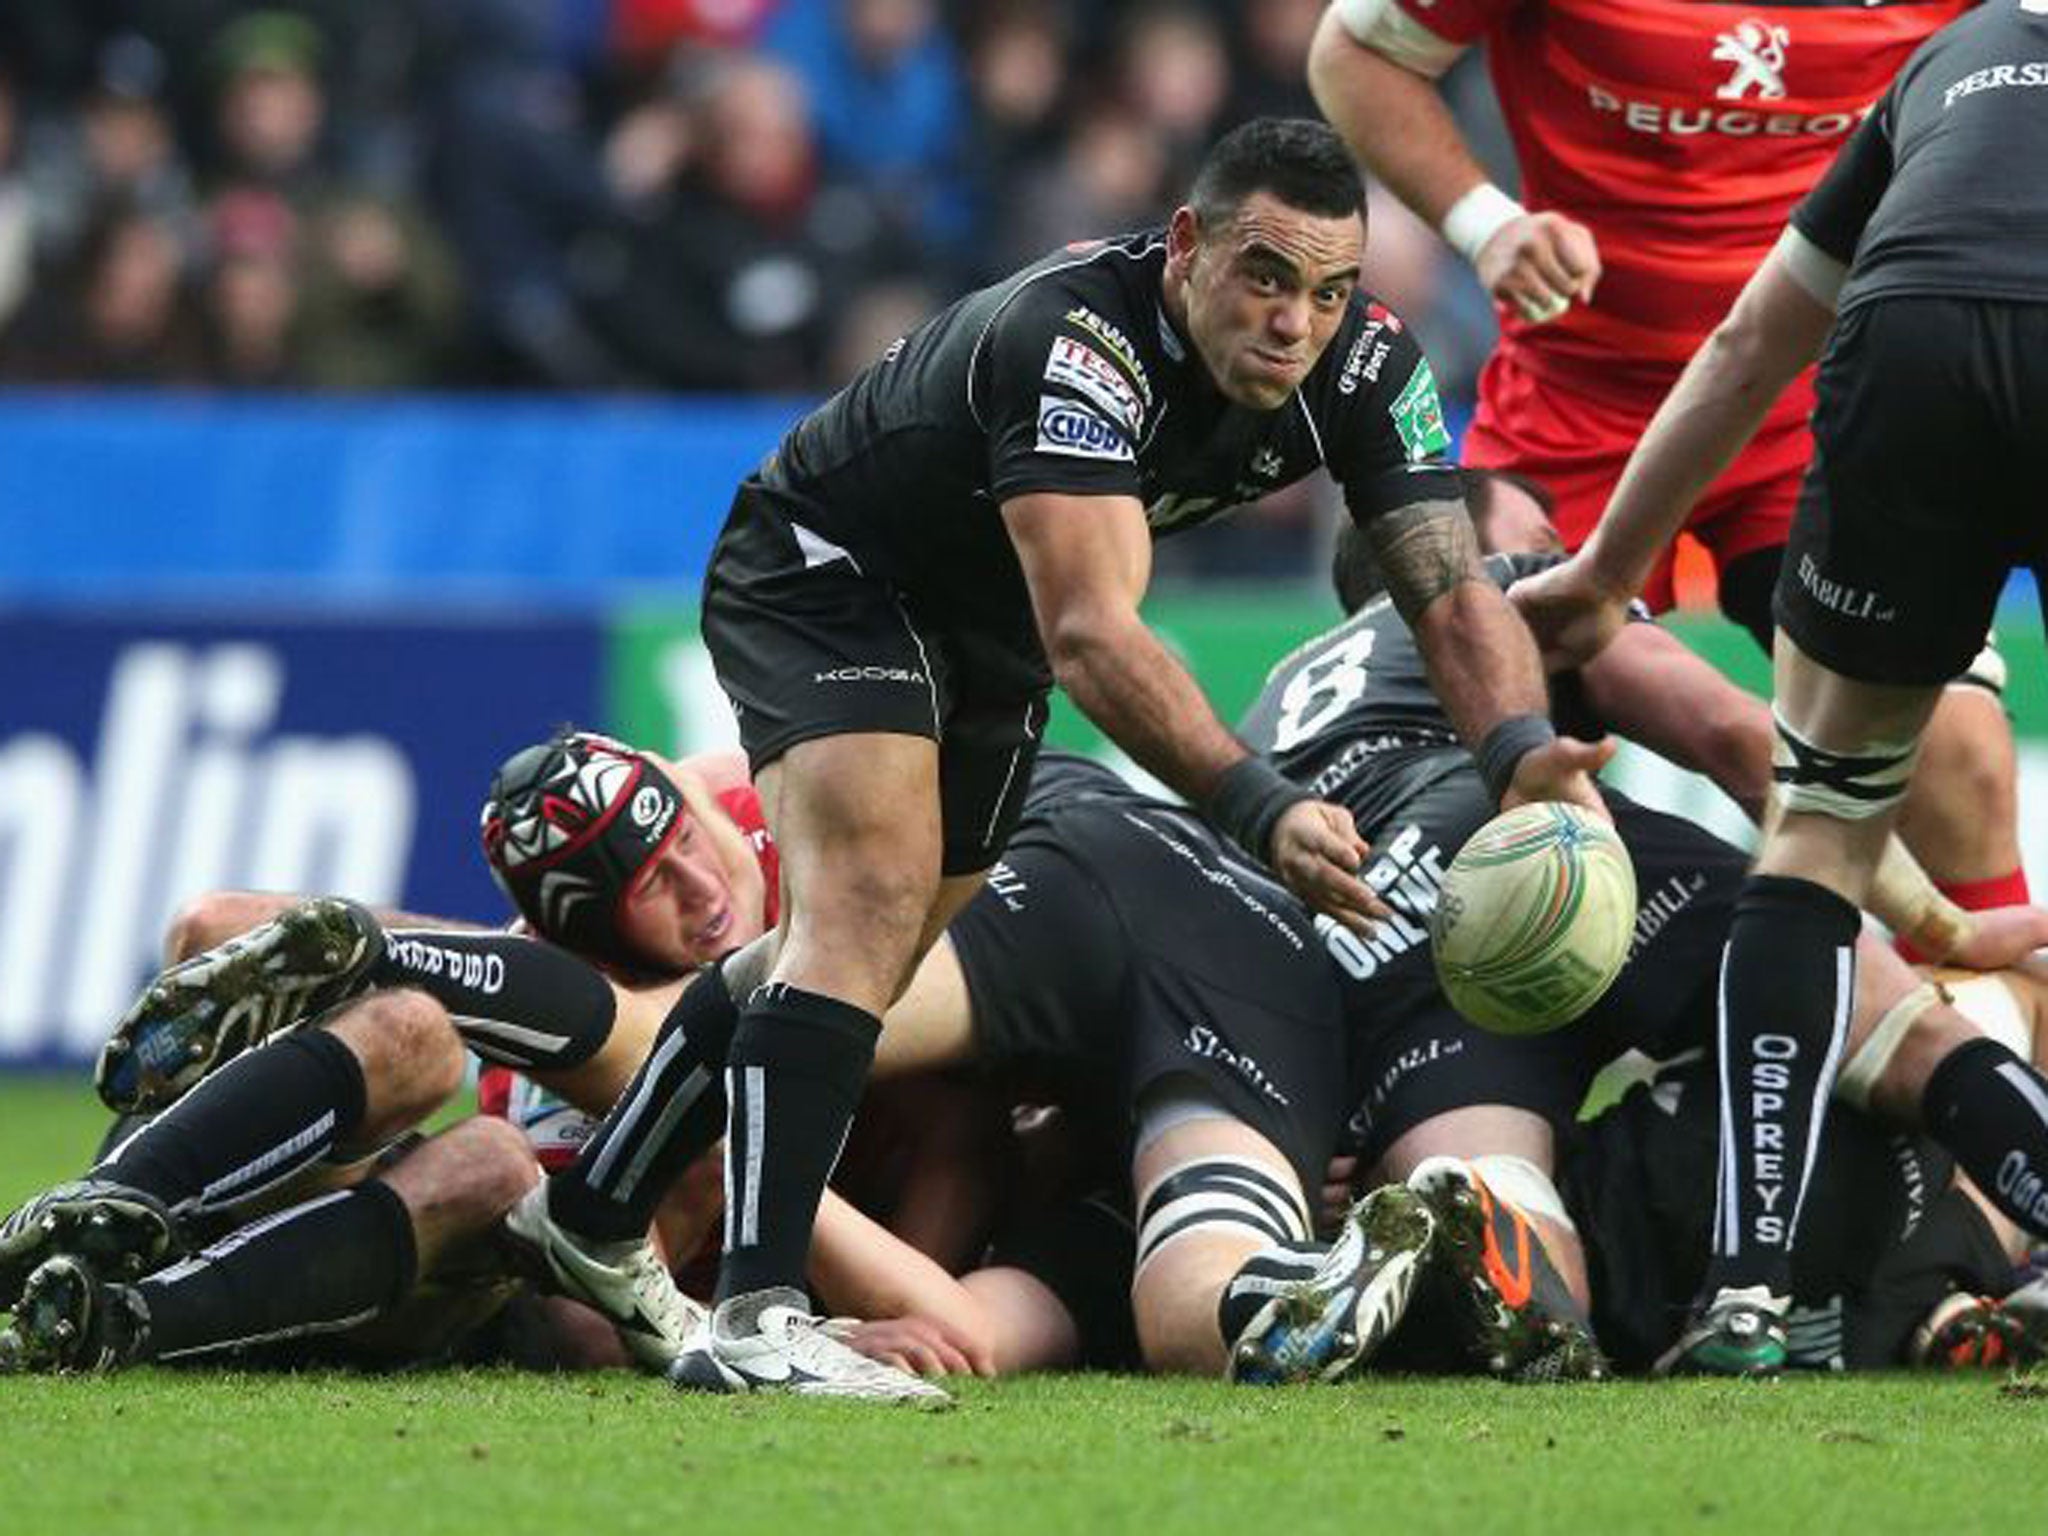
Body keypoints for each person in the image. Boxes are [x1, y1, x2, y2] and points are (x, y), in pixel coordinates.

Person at [509, 115, 1608, 1401]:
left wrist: (1522, 752)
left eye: (1324, 290)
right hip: (836, 572)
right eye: (1262, 276)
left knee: (875, 946)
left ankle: (588, 1219)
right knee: (860, 906)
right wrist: (1258, 807)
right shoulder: (1075, 343)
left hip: (986, 620)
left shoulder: (1369, 365)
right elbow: (1092, 634)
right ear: (1188, 248)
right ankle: (756, 1318)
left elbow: (1448, 590)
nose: (1290, 322)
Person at [1505, 0, 2048, 1371]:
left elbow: (1753, 344)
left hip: (1907, 347)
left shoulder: (1951, 59)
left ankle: (1747, 1299)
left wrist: (1600, 572)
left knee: (1817, 831)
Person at [1247, 465, 2048, 1375]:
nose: (1568, 558)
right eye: (1543, 539)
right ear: (1449, 552)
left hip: (1363, 934)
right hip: (1522, 845)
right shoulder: (1500, 592)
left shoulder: (1272, 703)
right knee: (1904, 1036)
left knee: (1504, 1206)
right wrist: (1933, 922)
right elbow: (1736, 738)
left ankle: (1449, 1232)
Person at [1304, 0, 2030, 925]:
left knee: (1957, 770)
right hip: (1575, 415)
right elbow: (1352, 54)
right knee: (1476, 764)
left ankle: (1988, 1054)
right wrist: (1487, 227)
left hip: (1817, 411)